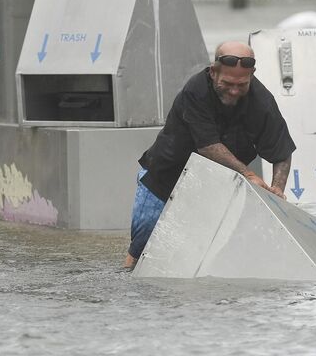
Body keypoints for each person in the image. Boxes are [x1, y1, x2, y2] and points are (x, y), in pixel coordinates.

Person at [123, 40, 296, 269]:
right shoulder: (195, 91)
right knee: (144, 243)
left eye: (241, 84)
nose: (234, 91)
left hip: (215, 184)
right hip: (164, 176)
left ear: (252, 75)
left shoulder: (262, 102)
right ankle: (130, 273)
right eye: (227, 83)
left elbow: (281, 151)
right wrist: (248, 173)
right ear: (213, 72)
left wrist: (277, 190)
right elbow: (208, 146)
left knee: (203, 250)